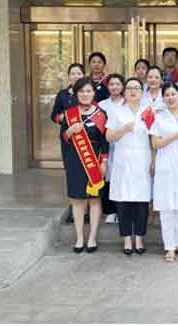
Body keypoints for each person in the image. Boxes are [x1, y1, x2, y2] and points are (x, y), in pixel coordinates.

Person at [60, 78, 109, 253]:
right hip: (75, 160)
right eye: (81, 91)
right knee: (77, 200)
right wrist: (70, 131)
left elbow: (105, 141)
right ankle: (79, 238)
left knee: (94, 200)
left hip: (94, 161)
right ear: (76, 94)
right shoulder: (69, 114)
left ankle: (92, 238)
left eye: (88, 91)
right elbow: (63, 137)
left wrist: (104, 162)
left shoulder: (101, 114)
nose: (85, 94)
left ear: (94, 93)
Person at [105, 77, 153, 255]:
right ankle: (126, 238)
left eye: (137, 88)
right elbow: (109, 137)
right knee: (123, 200)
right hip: (123, 162)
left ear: (142, 92)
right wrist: (123, 129)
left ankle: (139, 237)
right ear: (125, 92)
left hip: (143, 160)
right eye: (130, 88)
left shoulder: (148, 112)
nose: (133, 91)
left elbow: (154, 137)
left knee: (141, 201)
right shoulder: (117, 112)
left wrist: (154, 160)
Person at [150, 83, 178, 262]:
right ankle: (169, 247)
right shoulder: (158, 117)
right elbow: (155, 143)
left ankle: (177, 243)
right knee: (167, 207)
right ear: (163, 98)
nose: (170, 98)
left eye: (173, 94)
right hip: (165, 166)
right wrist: (174, 136)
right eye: (167, 95)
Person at [51, 63, 85, 224]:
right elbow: (54, 115)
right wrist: (63, 118)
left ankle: (85, 210)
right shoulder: (63, 94)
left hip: (87, 140)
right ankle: (74, 208)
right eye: (73, 73)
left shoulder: (88, 91)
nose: (76, 76)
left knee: (86, 171)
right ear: (69, 76)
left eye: (79, 73)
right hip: (69, 139)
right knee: (71, 173)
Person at [98, 74, 125, 224]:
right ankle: (110, 211)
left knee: (122, 177)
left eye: (117, 84)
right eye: (112, 84)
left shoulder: (127, 103)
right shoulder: (101, 105)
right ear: (107, 87)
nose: (115, 87)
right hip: (106, 145)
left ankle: (121, 211)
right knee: (107, 177)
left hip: (124, 145)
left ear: (122, 86)